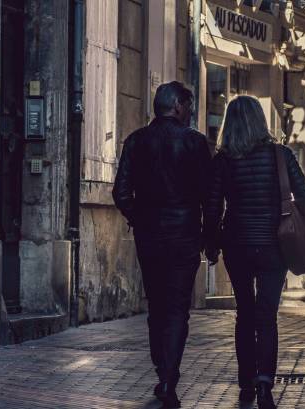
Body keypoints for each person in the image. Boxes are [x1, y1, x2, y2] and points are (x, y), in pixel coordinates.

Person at [203, 96, 305, 409]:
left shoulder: (223, 160)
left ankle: (245, 383)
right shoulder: (280, 154)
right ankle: (265, 384)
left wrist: (210, 242)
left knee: (245, 315)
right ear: (260, 121)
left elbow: (212, 207)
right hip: (273, 245)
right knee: (267, 316)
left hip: (237, 245)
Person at [112, 81, 211, 408]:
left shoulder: (136, 141)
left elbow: (121, 193)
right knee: (178, 308)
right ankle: (169, 375)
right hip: (184, 235)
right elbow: (210, 198)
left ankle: (162, 369)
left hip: (150, 236)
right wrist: (211, 238)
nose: (191, 112)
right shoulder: (196, 144)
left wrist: (139, 218)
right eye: (190, 106)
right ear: (178, 107)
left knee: (156, 304)